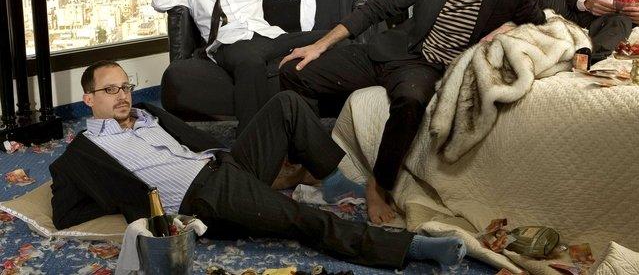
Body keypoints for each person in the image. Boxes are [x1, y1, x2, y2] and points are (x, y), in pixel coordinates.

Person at [49, 61, 466, 270]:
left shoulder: (147, 113)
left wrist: (225, 156)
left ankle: (334, 180)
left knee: (286, 104)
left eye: (125, 86)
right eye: (110, 90)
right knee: (300, 218)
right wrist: (129, 209)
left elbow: (196, 141)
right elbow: (65, 210)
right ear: (88, 99)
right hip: (204, 197)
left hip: (224, 165)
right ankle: (410, 247)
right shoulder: (84, 153)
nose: (122, 95)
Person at [279, 0, 546, 224]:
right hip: (395, 49)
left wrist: (509, 28)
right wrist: (320, 45)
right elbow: (380, 6)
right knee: (294, 70)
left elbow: (536, 24)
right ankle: (306, 163)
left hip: (424, 68)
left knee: (410, 101)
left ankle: (379, 185)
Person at [151, 0, 360, 132]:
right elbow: (160, 2)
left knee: (334, 37)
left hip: (270, 37)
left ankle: (348, 114)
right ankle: (251, 140)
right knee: (249, 62)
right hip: (231, 43)